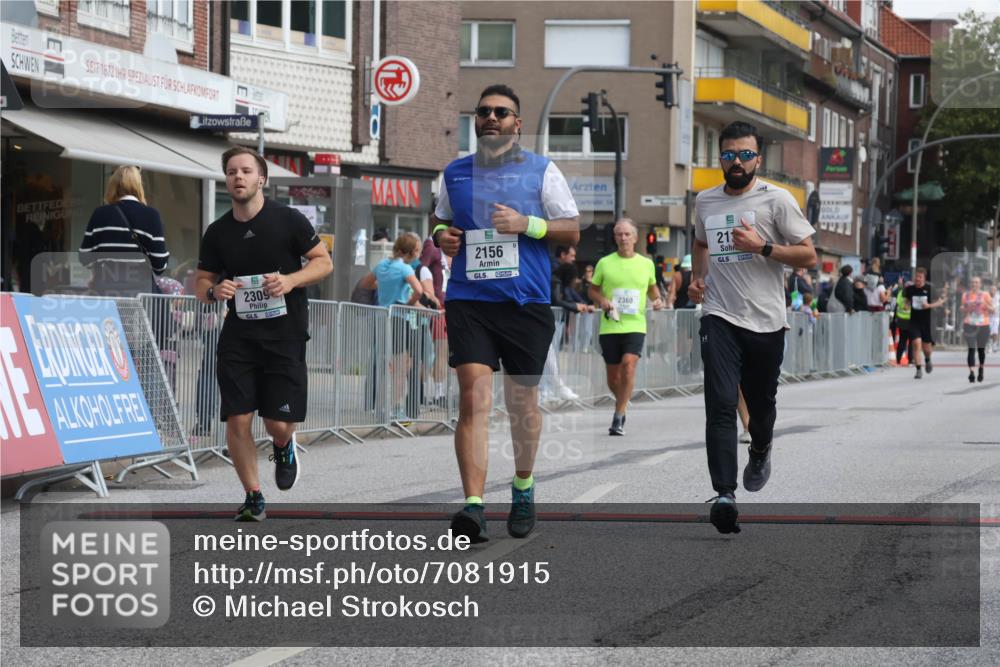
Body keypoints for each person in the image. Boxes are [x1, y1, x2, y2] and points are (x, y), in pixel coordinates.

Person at [432, 83, 580, 542]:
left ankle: (522, 485)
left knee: (522, 405)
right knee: (473, 399)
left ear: (518, 123)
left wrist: (526, 224)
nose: (491, 118)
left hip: (526, 303)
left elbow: (572, 230)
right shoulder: (454, 173)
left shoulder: (541, 170)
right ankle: (474, 506)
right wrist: (442, 236)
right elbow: (439, 221)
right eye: (484, 112)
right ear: (475, 121)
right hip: (470, 301)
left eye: (502, 112)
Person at [687, 120, 817, 534]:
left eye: (745, 154)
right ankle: (724, 494)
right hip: (719, 314)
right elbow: (701, 241)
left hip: (765, 321)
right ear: (719, 158)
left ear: (758, 159)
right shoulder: (705, 201)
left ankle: (760, 446)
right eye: (729, 154)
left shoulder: (776, 200)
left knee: (760, 408)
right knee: (721, 403)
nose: (737, 161)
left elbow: (808, 256)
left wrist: (761, 246)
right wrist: (697, 277)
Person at [196, 147, 333, 522]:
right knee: (238, 419)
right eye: (230, 172)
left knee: (276, 422)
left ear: (262, 179)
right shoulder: (218, 231)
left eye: (245, 171)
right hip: (238, 338)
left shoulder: (288, 220)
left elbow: (323, 262)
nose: (237, 177)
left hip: (284, 335)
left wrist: (290, 280)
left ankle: (283, 444)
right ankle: (253, 495)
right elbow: (203, 280)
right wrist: (213, 292)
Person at [588, 219, 663, 436]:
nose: (623, 238)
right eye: (619, 234)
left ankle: (619, 415)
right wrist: (602, 299)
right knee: (613, 378)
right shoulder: (605, 262)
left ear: (635, 237)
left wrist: (657, 300)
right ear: (614, 237)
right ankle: (623, 399)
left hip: (635, 325)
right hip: (610, 325)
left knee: (629, 365)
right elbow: (592, 291)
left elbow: (652, 289)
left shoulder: (646, 264)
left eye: (627, 234)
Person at [358, 234, 425, 420]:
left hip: (382, 317)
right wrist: (409, 303)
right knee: (400, 367)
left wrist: (383, 286)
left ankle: (380, 406)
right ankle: (396, 408)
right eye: (417, 251)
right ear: (411, 252)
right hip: (399, 318)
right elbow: (419, 290)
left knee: (384, 363)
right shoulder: (404, 268)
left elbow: (365, 284)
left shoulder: (382, 265)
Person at [79, 165, 169, 296]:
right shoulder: (151, 215)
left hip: (106, 293)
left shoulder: (100, 214)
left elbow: (84, 258)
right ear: (139, 186)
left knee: (109, 317)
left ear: (113, 186)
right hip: (139, 296)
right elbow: (159, 265)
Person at [903, 267, 945, 379]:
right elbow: (907, 301)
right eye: (916, 277)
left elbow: (940, 302)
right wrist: (906, 306)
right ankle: (918, 370)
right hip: (914, 321)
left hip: (927, 322)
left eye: (920, 277)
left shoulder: (930, 288)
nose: (917, 279)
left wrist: (929, 305)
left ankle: (927, 359)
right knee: (916, 344)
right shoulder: (910, 289)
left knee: (927, 349)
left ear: (924, 278)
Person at [961, 276, 993, 383]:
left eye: (976, 282)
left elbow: (993, 310)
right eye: (972, 282)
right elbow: (962, 308)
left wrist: (984, 305)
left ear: (980, 284)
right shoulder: (966, 295)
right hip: (969, 324)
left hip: (983, 325)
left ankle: (981, 368)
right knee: (971, 349)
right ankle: (971, 372)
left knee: (981, 350)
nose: (974, 284)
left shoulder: (986, 295)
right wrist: (967, 308)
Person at [989, 285, 1000, 353]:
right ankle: (990, 345)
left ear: (996, 291)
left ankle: (994, 345)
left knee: (995, 331)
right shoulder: (987, 296)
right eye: (991, 290)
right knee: (990, 331)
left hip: (996, 317)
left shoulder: (998, 297)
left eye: (994, 290)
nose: (992, 291)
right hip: (988, 317)